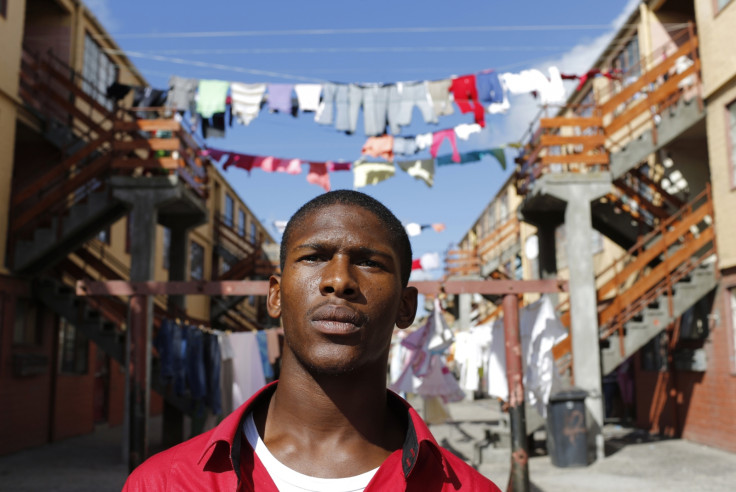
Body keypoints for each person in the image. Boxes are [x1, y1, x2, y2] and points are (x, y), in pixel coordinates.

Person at [123, 190, 500, 491]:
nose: (339, 280)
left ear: (405, 307)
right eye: (314, 257)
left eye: (369, 262)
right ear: (275, 296)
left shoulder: (467, 488)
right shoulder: (162, 483)